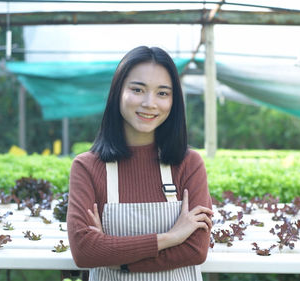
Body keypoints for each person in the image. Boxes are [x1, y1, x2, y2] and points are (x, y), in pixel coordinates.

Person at [67, 46, 213, 281]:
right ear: (118, 92)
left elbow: (195, 250)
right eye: (138, 89)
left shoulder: (189, 164)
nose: (149, 103)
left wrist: (119, 263)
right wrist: (170, 237)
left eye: (162, 93)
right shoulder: (87, 167)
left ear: (174, 101)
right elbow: (84, 252)